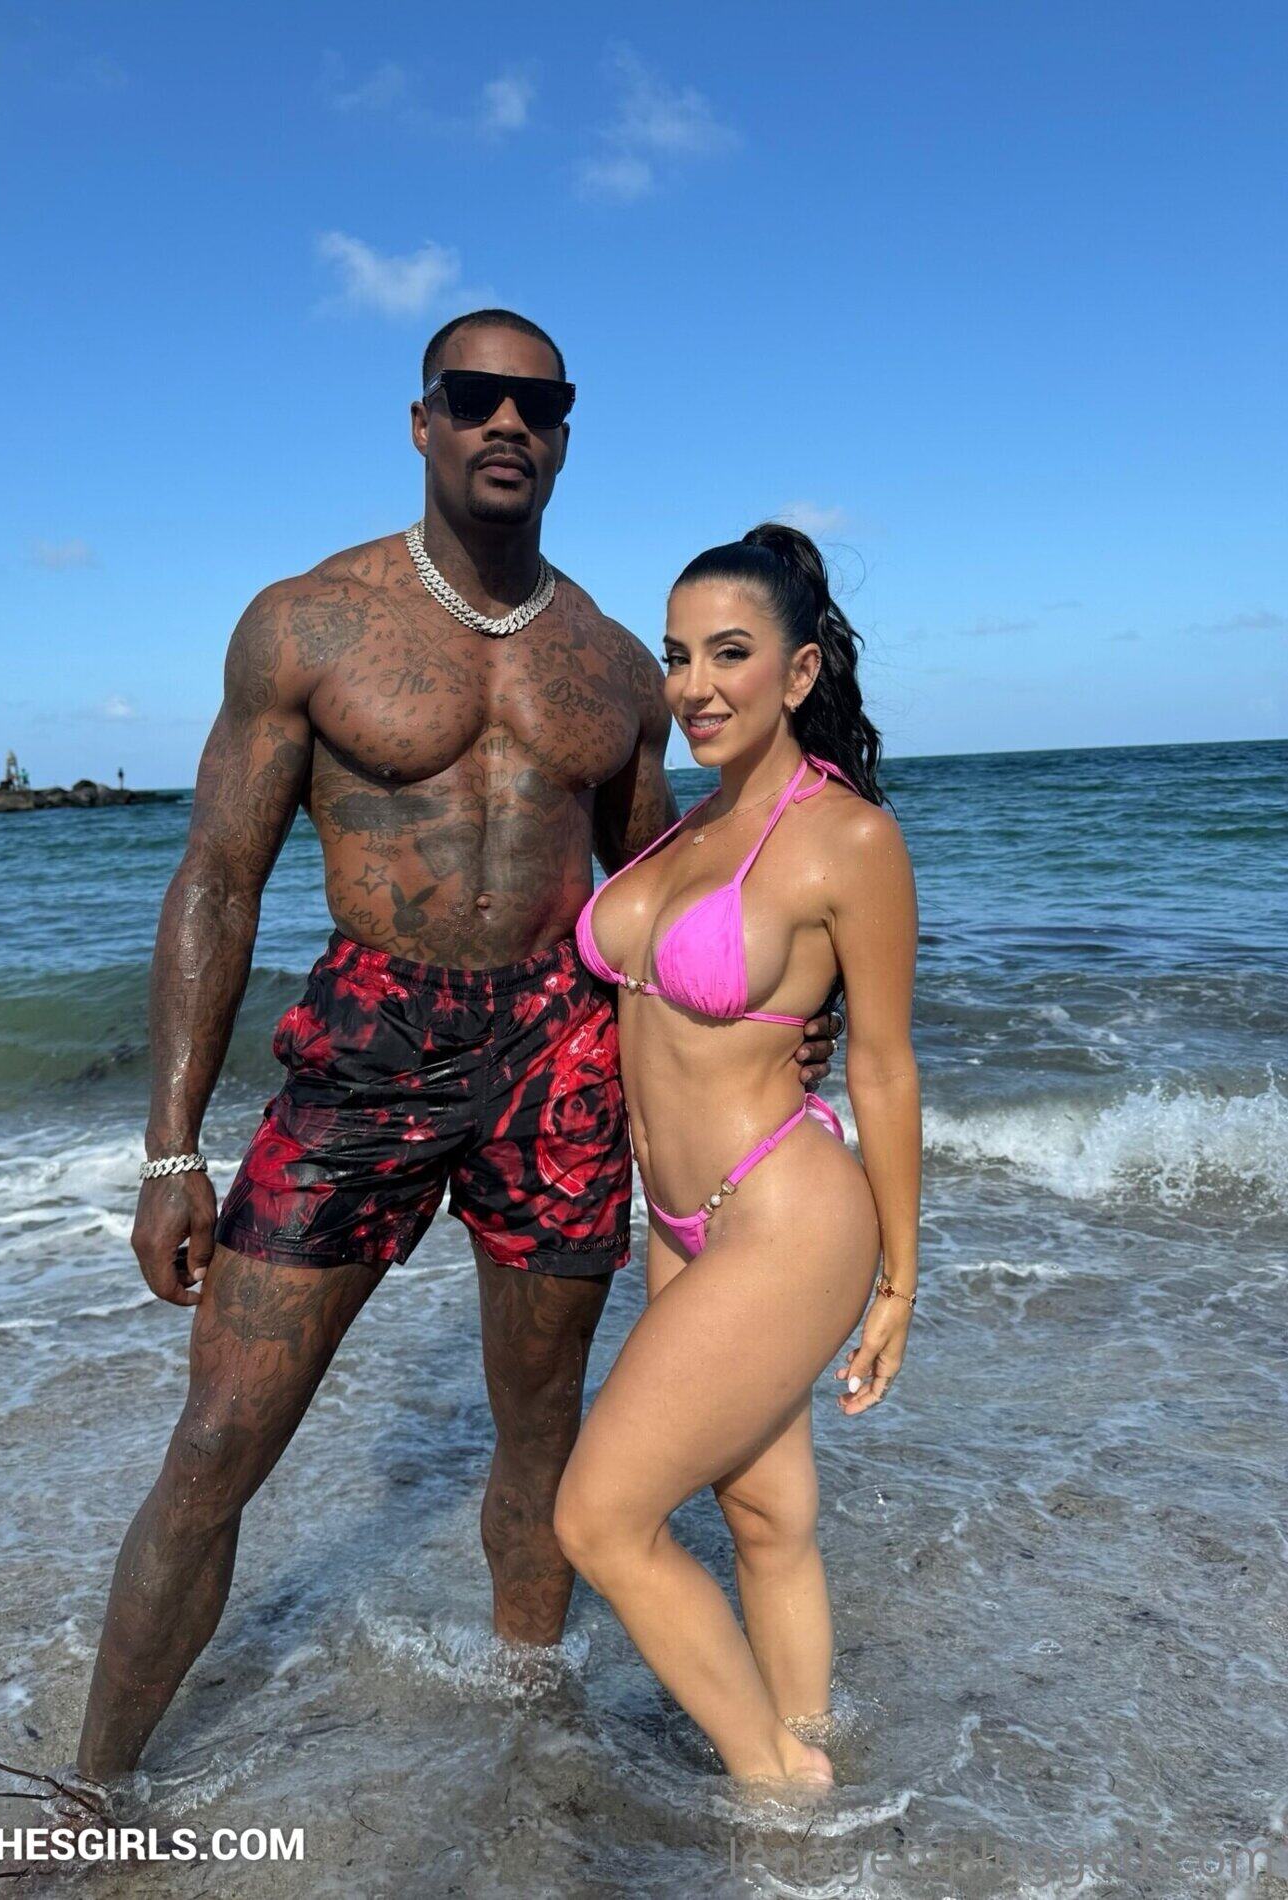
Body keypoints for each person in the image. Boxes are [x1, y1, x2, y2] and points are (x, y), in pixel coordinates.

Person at [54, 312, 842, 1802]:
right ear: (421, 422)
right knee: (218, 1440)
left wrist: (781, 1025)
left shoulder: (613, 663)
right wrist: (170, 1149)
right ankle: (91, 1796)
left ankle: (523, 1746)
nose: (506, 423)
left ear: (566, 433)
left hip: (556, 1055)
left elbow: (657, 898)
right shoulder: (308, 626)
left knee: (543, 1437)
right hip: (367, 1045)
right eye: (474, 397)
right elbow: (216, 879)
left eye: (537, 403)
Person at [554, 523, 920, 1790]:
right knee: (762, 1513)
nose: (695, 687)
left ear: (800, 671)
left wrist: (900, 1280)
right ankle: (814, 1749)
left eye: (728, 654)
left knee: (600, 1518)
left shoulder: (848, 842)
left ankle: (777, 1789)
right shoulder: (680, 831)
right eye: (676, 657)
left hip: (785, 1216)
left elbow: (883, 1066)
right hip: (678, 1220)